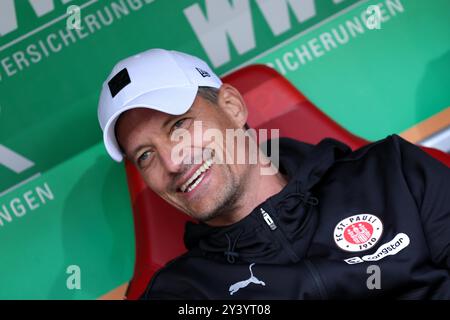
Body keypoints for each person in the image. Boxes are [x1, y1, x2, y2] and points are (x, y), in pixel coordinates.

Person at [98, 48, 450, 299]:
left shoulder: (392, 172)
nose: (172, 163)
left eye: (179, 125)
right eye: (145, 155)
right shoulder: (183, 293)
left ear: (232, 107)